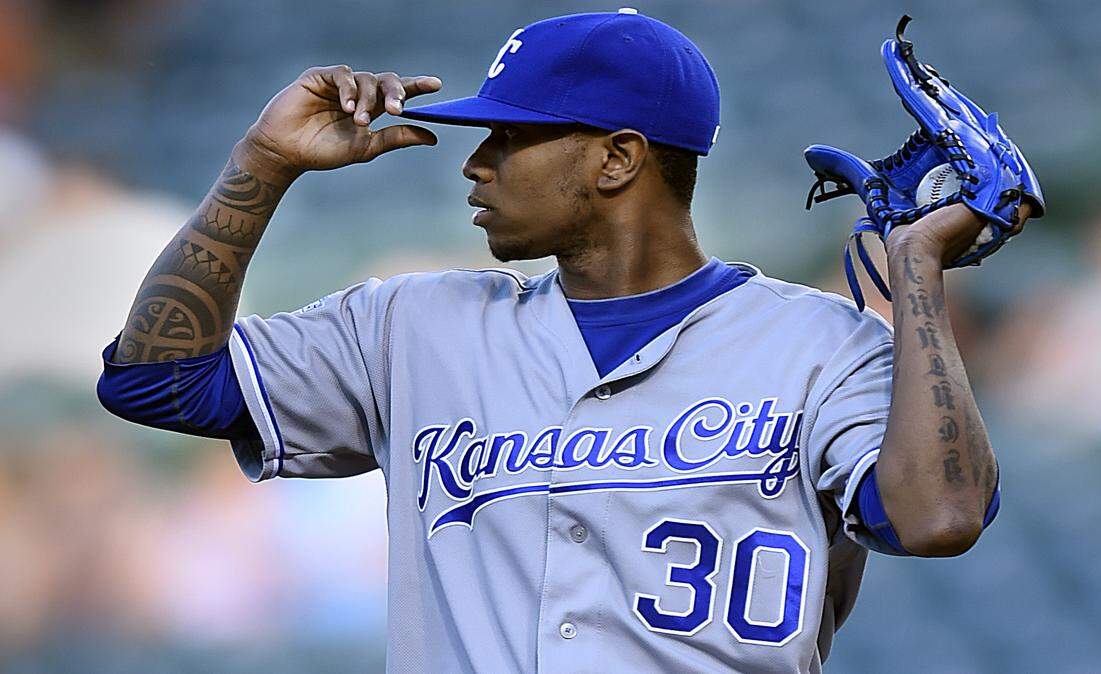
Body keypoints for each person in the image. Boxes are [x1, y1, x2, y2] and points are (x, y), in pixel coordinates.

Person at [98, 9, 1025, 673]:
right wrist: (261, 166)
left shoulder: (820, 347)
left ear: (618, 159)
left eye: (510, 136)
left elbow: (938, 519)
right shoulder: (410, 327)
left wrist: (915, 278)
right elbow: (154, 384)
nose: (476, 161)